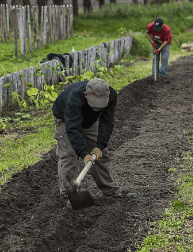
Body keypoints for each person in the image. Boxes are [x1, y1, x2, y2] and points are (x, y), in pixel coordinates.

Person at [52, 78, 136, 208]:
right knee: (68, 154)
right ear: (86, 95)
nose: (98, 107)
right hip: (66, 118)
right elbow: (73, 129)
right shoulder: (74, 98)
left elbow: (107, 122)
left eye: (100, 104)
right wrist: (83, 153)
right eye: (95, 104)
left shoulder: (112, 95)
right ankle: (70, 195)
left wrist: (100, 146)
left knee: (101, 154)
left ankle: (111, 191)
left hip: (89, 121)